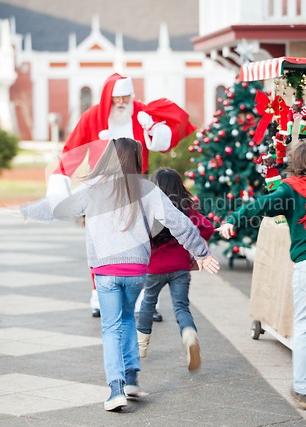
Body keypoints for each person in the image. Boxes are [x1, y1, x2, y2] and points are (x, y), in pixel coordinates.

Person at [25, 138, 220, 412]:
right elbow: (179, 221)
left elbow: (58, 208)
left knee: (111, 327)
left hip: (106, 271)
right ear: (136, 160)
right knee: (128, 318)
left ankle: (116, 388)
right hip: (137, 272)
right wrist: (201, 252)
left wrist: (25, 210)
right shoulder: (147, 189)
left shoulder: (93, 188)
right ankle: (130, 380)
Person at [47, 72, 195, 318]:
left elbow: (163, 139)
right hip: (101, 187)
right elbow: (71, 150)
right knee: (100, 242)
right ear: (108, 97)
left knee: (143, 242)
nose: (122, 102)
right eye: (117, 97)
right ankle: (100, 296)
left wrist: (154, 130)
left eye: (126, 96)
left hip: (137, 185)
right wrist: (60, 180)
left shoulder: (141, 112)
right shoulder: (92, 116)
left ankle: (145, 301)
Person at [216, 140, 306, 411]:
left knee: (304, 326)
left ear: (298, 166)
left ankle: (304, 392)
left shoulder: (290, 190)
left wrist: (233, 220)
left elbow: (260, 205)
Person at [137, 168, 215, 371]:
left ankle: (141, 346)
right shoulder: (187, 208)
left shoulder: (149, 208)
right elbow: (206, 228)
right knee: (181, 306)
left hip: (154, 268)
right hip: (180, 267)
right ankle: (189, 334)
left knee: (148, 304)